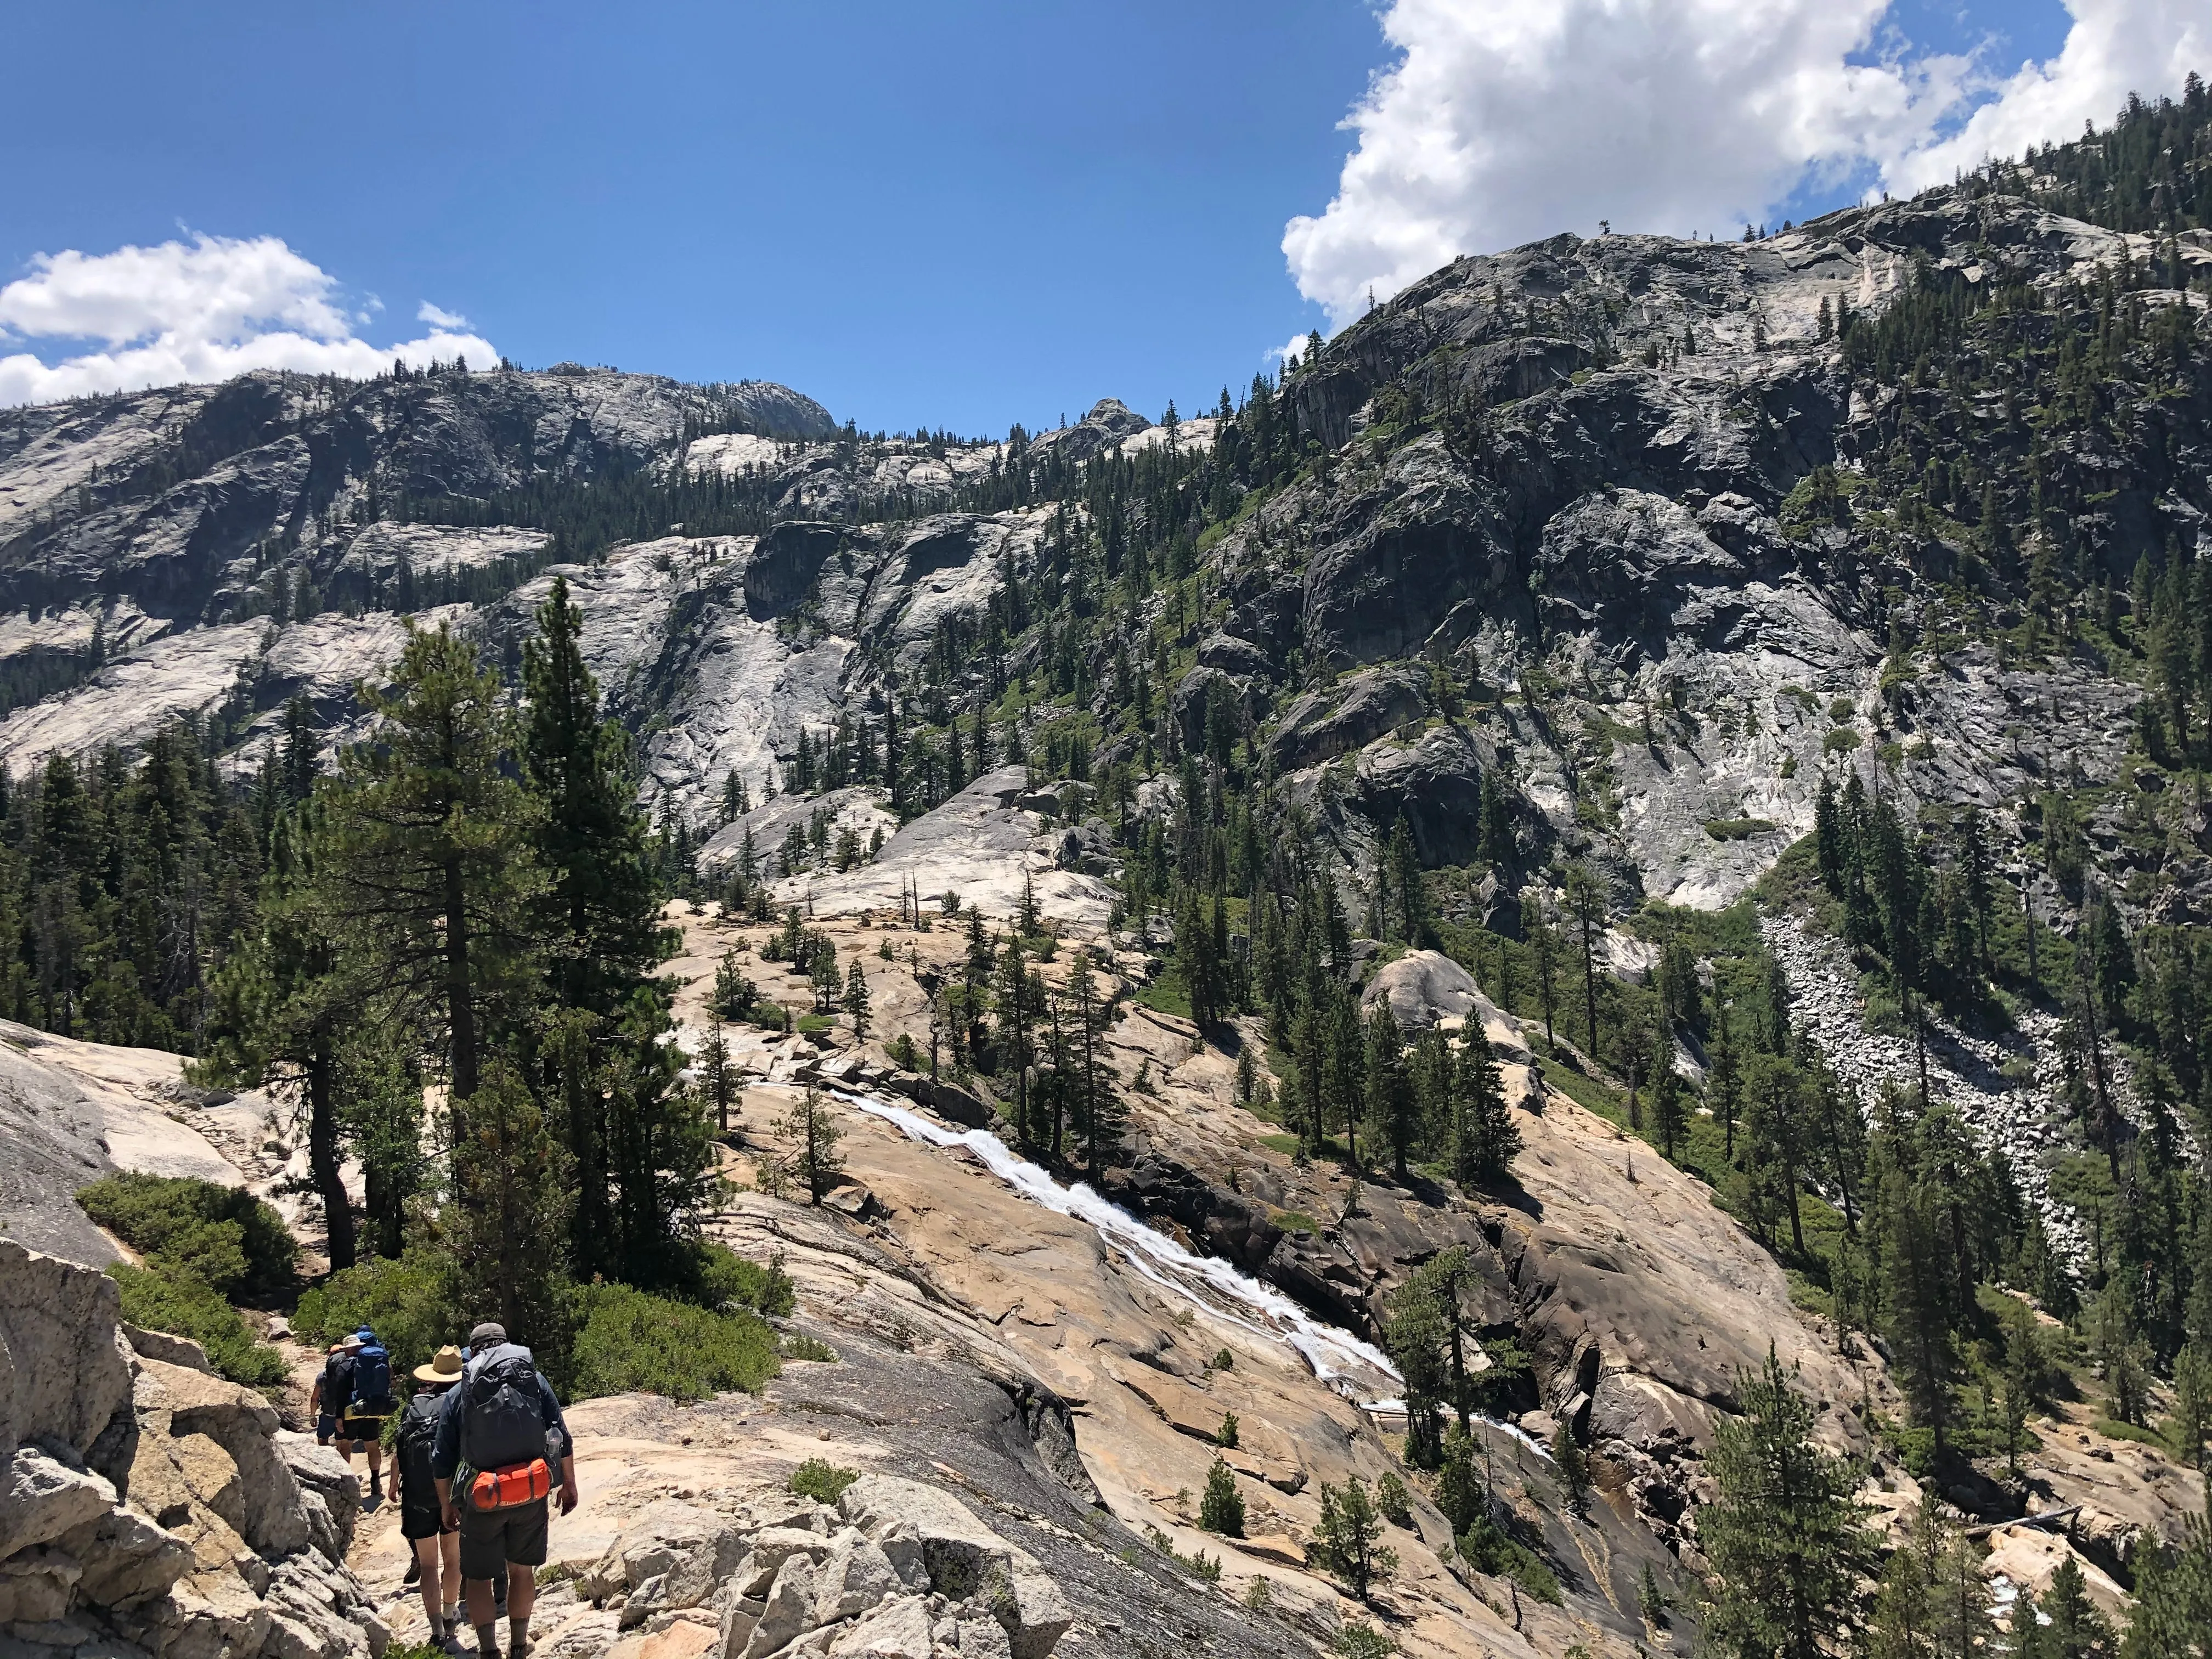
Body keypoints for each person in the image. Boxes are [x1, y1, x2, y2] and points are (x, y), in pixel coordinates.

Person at [433, 1322, 579, 1659]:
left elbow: (441, 1458)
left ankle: (488, 1651)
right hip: (531, 1490)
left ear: (473, 1352)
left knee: (481, 1579)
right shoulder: (534, 1381)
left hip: (482, 1496)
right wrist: (568, 1484)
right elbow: (562, 1437)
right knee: (521, 1570)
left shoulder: (461, 1392)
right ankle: (518, 1645)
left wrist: (446, 1505)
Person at [394, 1346, 466, 1650]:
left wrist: (393, 1481)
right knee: (453, 1559)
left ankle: (436, 1628)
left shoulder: (415, 1406)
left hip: (417, 1494)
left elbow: (400, 1444)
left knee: (427, 1564)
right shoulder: (461, 1402)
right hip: (449, 1493)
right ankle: (450, 1612)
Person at [339, 1326, 398, 1504]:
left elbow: (343, 1389)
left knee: (345, 1447)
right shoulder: (383, 1358)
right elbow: (391, 1381)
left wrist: (338, 1416)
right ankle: (375, 1481)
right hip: (375, 1409)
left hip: (355, 1408)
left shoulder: (353, 1363)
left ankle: (345, 1484)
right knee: (373, 1447)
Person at [309, 1339, 355, 1449]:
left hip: (328, 1414)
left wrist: (312, 1416)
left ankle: (327, 1463)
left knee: (322, 1440)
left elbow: (315, 1398)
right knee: (343, 1445)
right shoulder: (351, 1371)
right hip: (346, 1413)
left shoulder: (323, 1376)